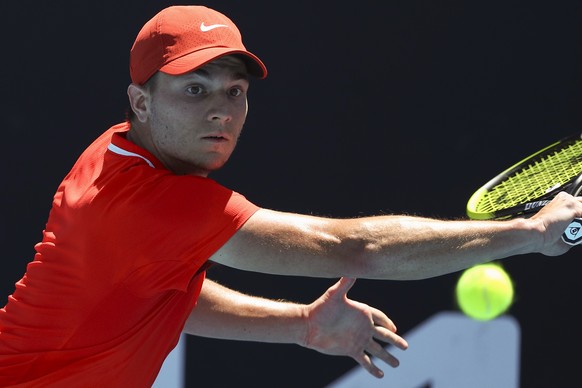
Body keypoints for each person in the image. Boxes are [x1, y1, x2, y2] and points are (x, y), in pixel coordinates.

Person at [1, 4, 581, 387]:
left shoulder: (116, 152)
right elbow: (355, 249)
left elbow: (166, 298)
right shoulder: (151, 204)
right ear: (141, 101)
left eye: (234, 91)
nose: (221, 110)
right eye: (194, 89)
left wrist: (301, 324)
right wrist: (528, 233)